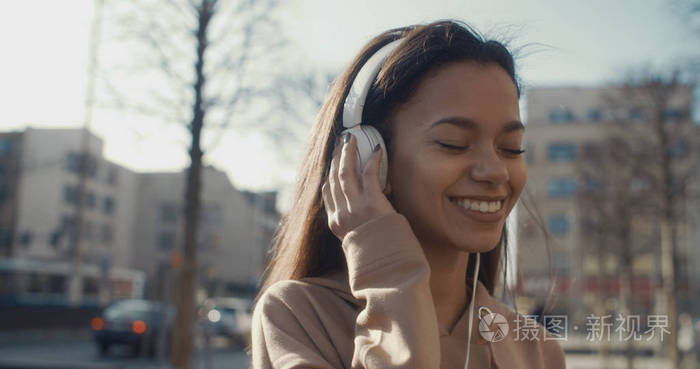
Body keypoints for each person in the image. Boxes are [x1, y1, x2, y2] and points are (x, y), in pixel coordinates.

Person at [251, 20, 566, 368]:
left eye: (511, 148)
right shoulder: (298, 317)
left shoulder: (536, 350)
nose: (495, 171)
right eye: (454, 143)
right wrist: (389, 273)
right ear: (369, 157)